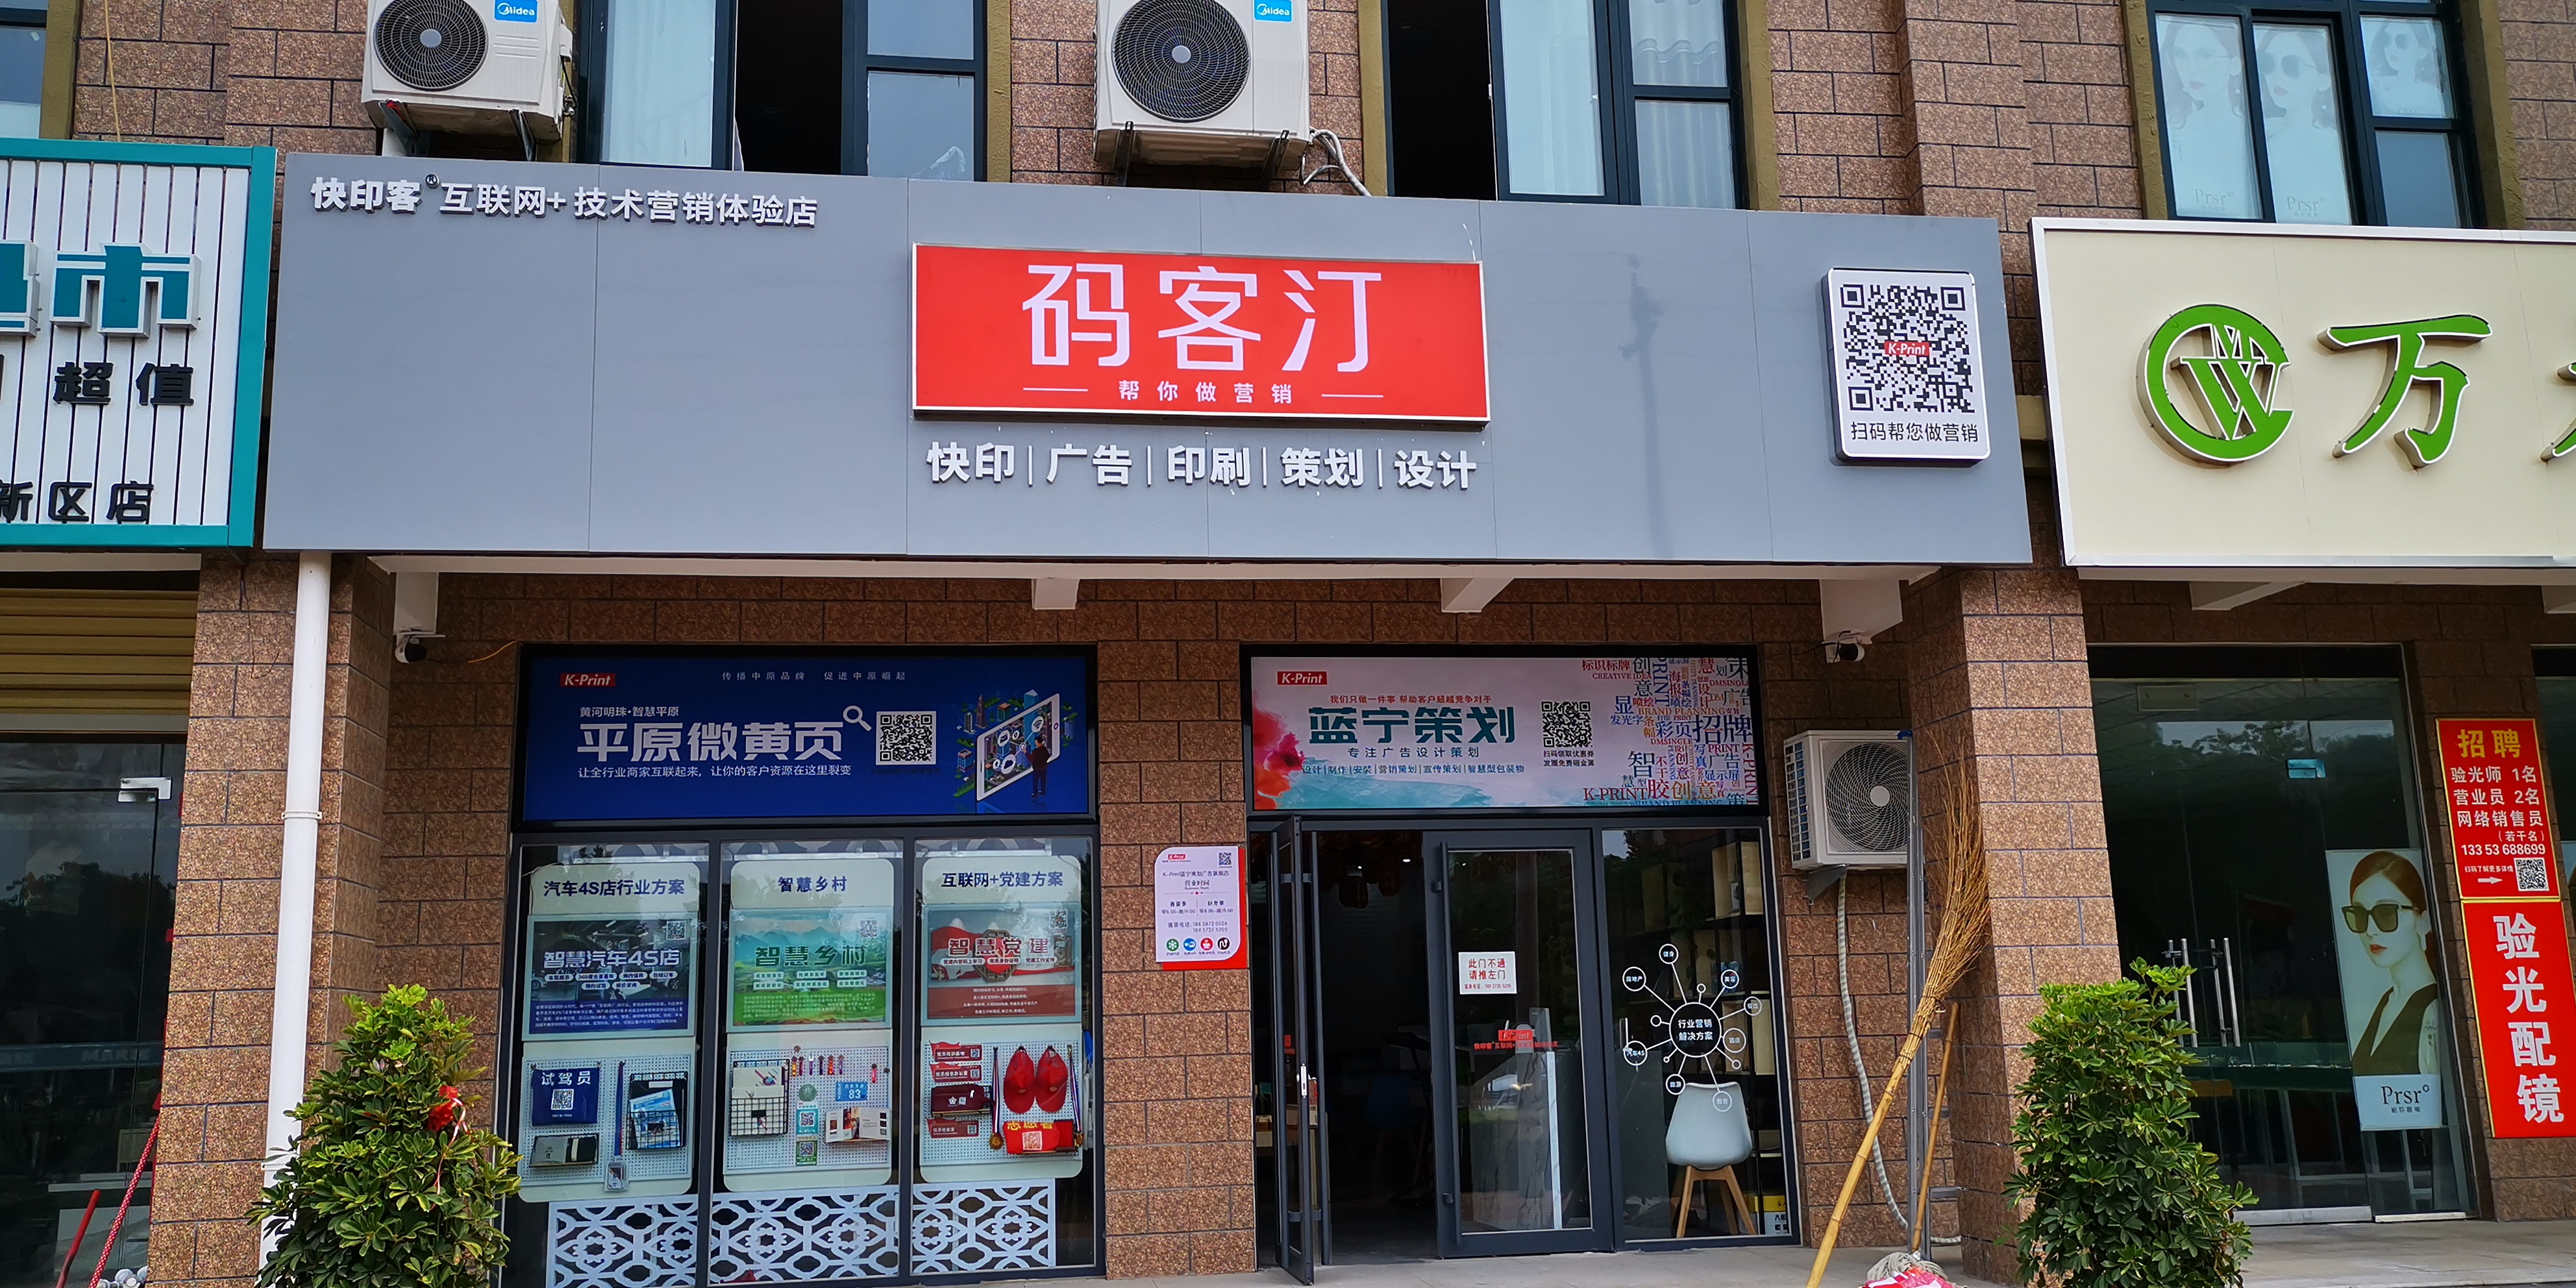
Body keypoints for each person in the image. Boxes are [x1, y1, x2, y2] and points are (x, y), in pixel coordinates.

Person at [2345, 850, 2442, 1076]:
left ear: (2424, 921)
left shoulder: (2432, 1011)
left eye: (2386, 913)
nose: (2370, 931)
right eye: (2359, 914)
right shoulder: (2388, 1001)